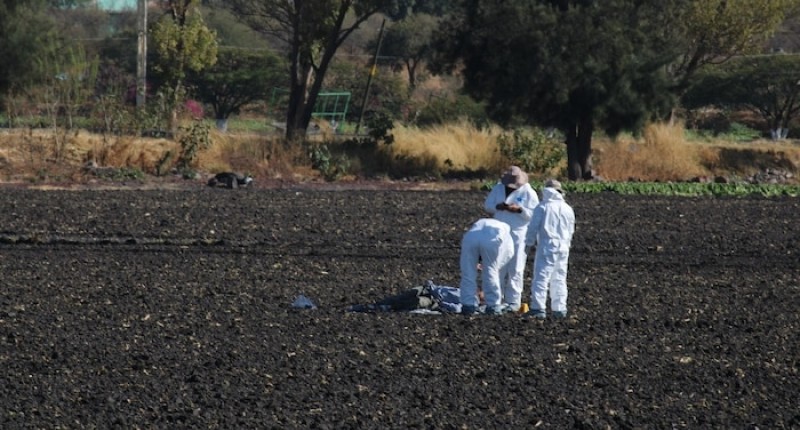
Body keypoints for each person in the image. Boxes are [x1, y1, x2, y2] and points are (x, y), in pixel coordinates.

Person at [483, 166, 539, 312]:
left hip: (518, 233)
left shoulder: (528, 192)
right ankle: (497, 299)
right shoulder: (498, 188)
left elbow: (534, 214)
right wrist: (499, 207)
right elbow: (488, 206)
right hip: (499, 232)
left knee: (516, 267)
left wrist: (519, 210)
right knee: (498, 266)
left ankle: (513, 301)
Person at [525, 179, 575, 319]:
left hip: (547, 245)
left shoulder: (543, 207)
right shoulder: (568, 209)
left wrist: (528, 245)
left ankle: (538, 307)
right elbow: (571, 230)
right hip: (564, 246)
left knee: (542, 276)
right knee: (559, 277)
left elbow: (533, 228)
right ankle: (559, 308)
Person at [460, 218, 515, 315]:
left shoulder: (482, 224)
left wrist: (477, 262)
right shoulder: (507, 236)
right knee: (491, 271)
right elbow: (508, 254)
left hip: (470, 238)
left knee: (468, 273)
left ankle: (468, 305)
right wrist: (493, 265)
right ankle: (493, 305)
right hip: (491, 239)